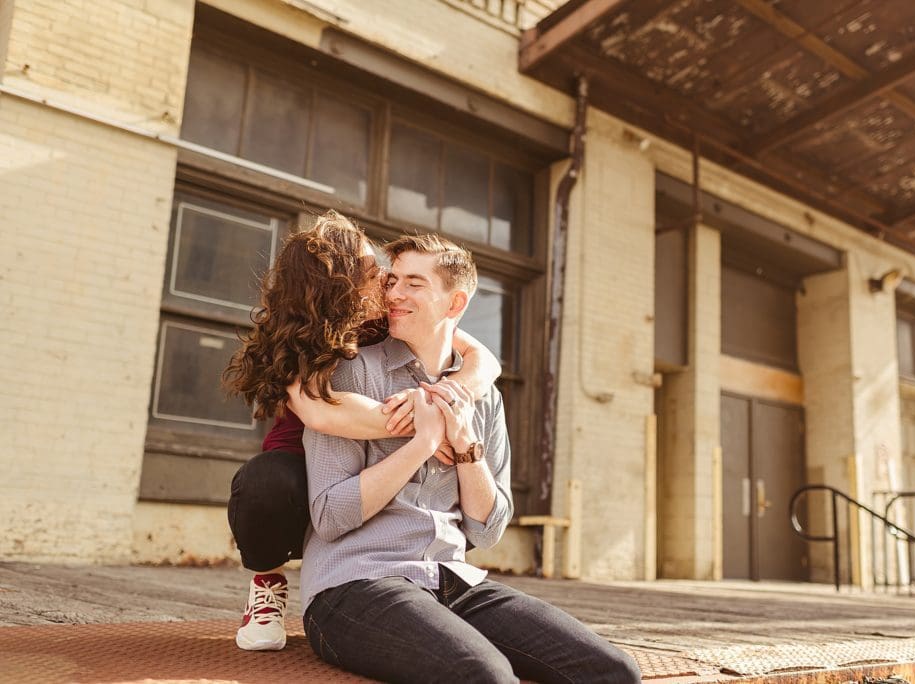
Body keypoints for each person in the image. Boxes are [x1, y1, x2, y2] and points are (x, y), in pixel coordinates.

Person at [301, 234, 641, 683]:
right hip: (355, 584)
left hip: (453, 581)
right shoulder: (350, 373)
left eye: (415, 284)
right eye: (393, 280)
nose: (394, 293)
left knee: (615, 672)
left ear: (455, 301)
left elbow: (488, 528)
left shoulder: (484, 399)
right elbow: (328, 517)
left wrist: (465, 447)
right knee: (486, 676)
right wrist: (421, 444)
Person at [222, 211, 501, 651]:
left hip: (369, 462)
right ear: (342, 285)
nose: (389, 282)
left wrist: (454, 393)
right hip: (301, 468)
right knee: (266, 481)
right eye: (375, 273)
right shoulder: (300, 340)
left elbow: (482, 358)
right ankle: (268, 578)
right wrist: (436, 427)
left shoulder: (382, 323)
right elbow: (326, 417)